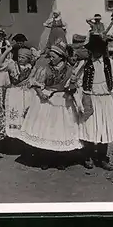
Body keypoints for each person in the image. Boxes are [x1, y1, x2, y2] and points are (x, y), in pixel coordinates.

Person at [17, 41, 82, 170]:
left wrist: (72, 85)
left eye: (54, 56)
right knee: (46, 129)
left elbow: (73, 88)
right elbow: (36, 83)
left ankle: (60, 159)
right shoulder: (45, 68)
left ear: (61, 57)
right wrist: (41, 93)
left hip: (62, 100)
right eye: (50, 56)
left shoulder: (70, 70)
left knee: (60, 129)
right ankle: (45, 158)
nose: (51, 59)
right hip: (46, 99)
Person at [76, 34, 113, 171]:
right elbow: (78, 79)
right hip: (90, 98)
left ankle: (102, 158)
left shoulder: (109, 63)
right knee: (90, 127)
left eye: (98, 50)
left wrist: (110, 89)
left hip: (105, 99)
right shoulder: (85, 64)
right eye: (93, 50)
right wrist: (83, 94)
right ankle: (88, 156)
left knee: (104, 128)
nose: (95, 53)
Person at [0, 45, 35, 138]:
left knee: (24, 114)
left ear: (28, 58)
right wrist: (7, 51)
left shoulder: (31, 67)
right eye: (19, 57)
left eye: (23, 57)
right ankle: (13, 136)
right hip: (14, 93)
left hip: (26, 93)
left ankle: (24, 136)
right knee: (14, 114)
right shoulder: (12, 64)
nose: (20, 59)